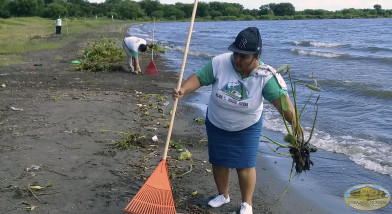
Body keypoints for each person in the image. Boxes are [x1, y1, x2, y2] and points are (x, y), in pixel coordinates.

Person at [172, 27, 299, 214]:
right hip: (217, 122)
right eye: (236, 54)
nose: (238, 60)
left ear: (256, 56)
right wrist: (183, 89)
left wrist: (295, 125)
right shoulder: (220, 62)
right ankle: (223, 195)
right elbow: (199, 78)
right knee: (219, 161)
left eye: (244, 57)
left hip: (247, 126)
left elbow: (283, 105)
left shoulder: (266, 76)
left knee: (245, 165)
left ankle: (247, 204)